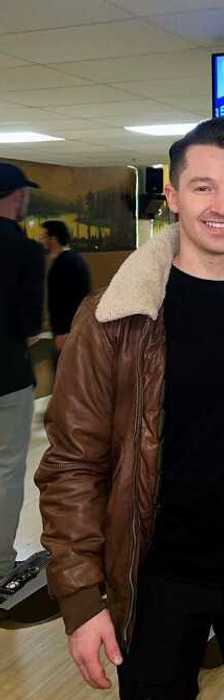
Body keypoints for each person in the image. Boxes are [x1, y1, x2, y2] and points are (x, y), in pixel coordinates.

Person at [35, 118, 224, 698]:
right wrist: (81, 597)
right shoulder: (113, 316)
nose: (222, 206)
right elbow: (72, 463)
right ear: (172, 195)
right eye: (203, 187)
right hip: (155, 577)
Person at [0, 162, 44, 582]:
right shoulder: (25, 251)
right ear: (16, 196)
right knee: (7, 469)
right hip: (8, 376)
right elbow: (30, 325)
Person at [41, 219, 91, 354]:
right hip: (75, 331)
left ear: (53, 239)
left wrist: (63, 332)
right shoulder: (74, 260)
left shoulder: (64, 264)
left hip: (67, 334)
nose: (42, 241)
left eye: (44, 237)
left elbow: (67, 301)